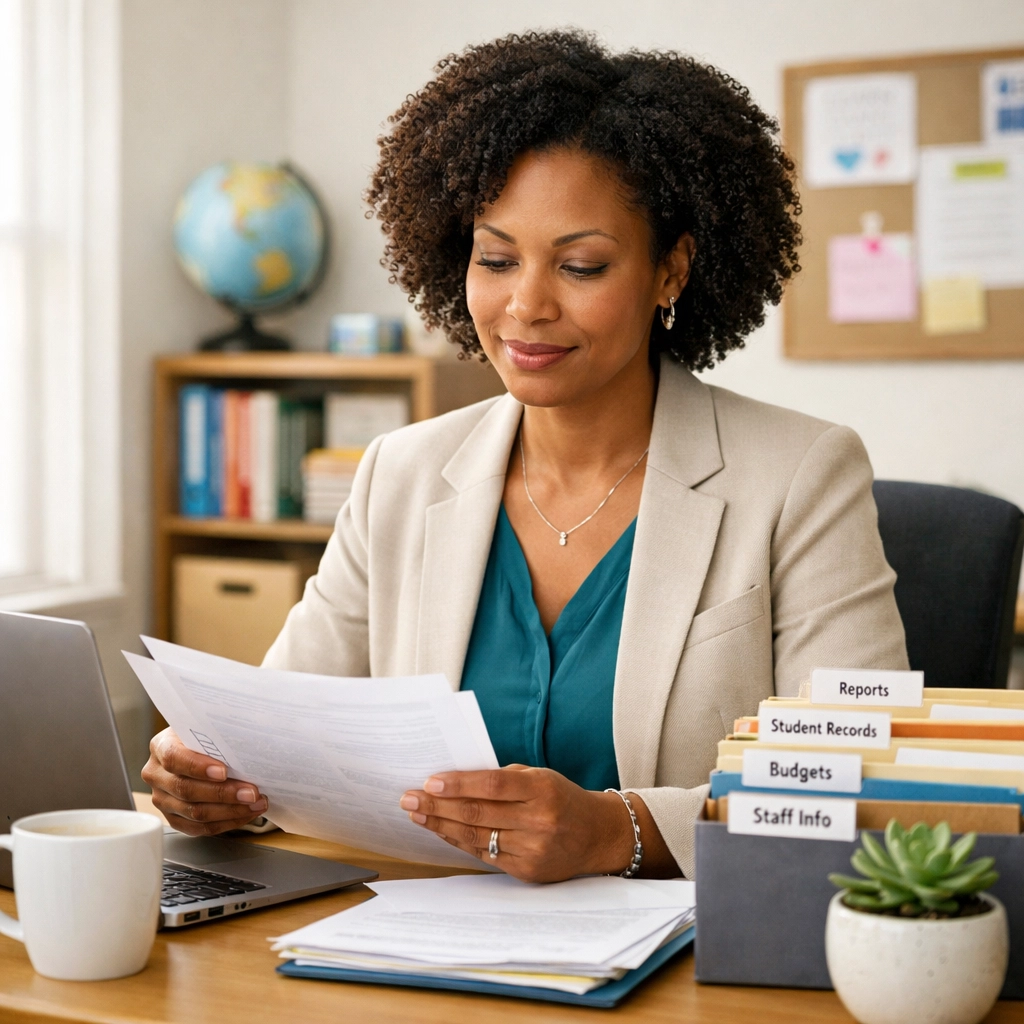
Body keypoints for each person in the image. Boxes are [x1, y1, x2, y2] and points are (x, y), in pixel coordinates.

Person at [143, 30, 908, 881]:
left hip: (690, 970)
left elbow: (858, 781)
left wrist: (620, 831)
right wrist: (214, 781)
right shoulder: (399, 473)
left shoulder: (802, 475)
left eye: (581, 265)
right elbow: (278, 737)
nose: (526, 305)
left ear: (672, 272)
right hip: (420, 952)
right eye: (496, 259)